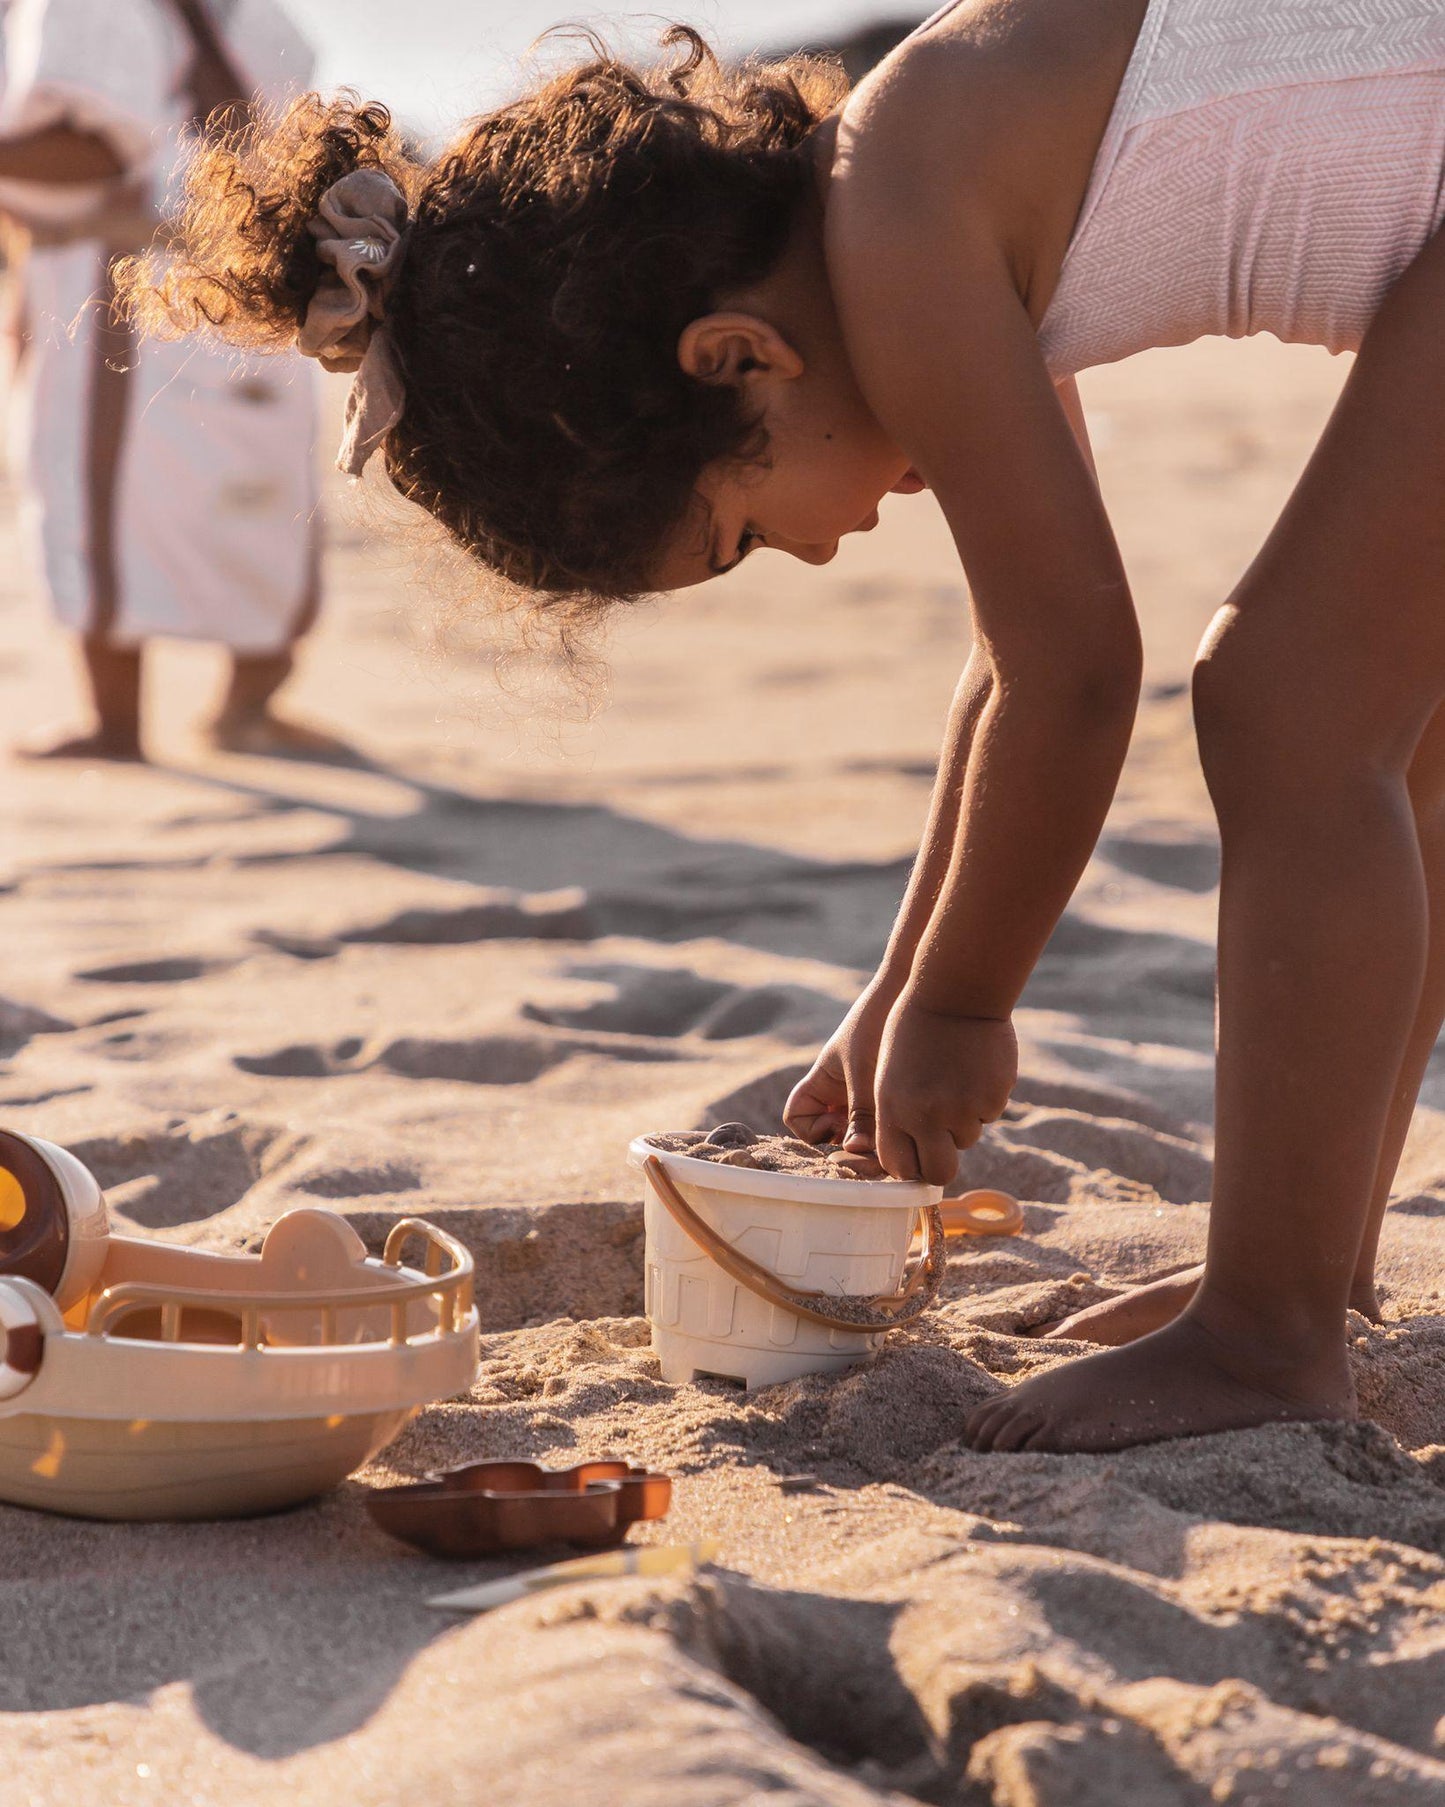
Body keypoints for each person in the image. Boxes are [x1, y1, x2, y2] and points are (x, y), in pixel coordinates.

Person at [123, 0, 1445, 1452]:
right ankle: (1308, 1271)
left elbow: (1075, 670)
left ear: (733, 356)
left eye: (742, 534)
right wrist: (897, 989)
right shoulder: (904, 177)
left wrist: (963, 1004)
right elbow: (1015, 659)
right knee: (1384, 731)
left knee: (1289, 704)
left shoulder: (903, 224)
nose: (815, 558)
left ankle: (1268, 1334)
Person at [0, 0, 329, 762]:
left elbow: (98, 151)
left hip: (137, 297)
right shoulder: (253, 20)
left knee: (103, 496)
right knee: (248, 498)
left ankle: (134, 725)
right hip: (246, 293)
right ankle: (241, 710)